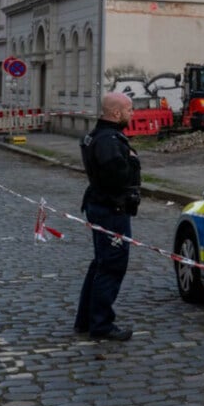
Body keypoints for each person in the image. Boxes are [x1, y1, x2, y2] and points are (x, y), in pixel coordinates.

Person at [74, 92, 141, 341]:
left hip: (101, 205)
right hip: (111, 209)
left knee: (101, 263)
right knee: (111, 266)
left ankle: (86, 320)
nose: (132, 114)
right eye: (129, 110)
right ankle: (101, 324)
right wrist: (133, 161)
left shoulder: (97, 136)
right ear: (116, 113)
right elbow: (118, 178)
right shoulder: (109, 141)